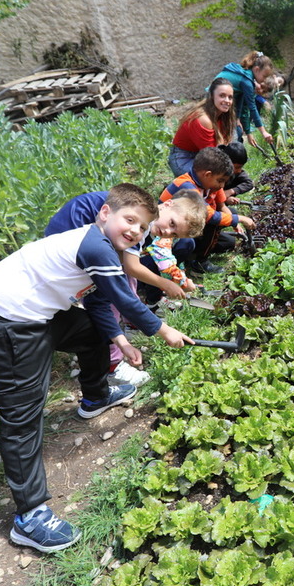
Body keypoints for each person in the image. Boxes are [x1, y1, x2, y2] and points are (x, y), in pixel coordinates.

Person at [0, 184, 197, 553]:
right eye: (129, 220)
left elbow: (101, 302)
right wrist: (163, 329)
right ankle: (30, 516)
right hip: (3, 318)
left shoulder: (103, 246)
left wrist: (120, 340)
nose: (135, 231)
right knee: (22, 410)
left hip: (36, 313)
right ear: (105, 214)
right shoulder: (95, 246)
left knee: (92, 333)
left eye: (142, 227)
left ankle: (95, 396)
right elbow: (124, 297)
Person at [45, 190, 206, 387]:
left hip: (91, 233)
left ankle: (130, 321)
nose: (168, 233)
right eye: (172, 224)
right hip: (72, 228)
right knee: (105, 293)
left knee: (121, 284)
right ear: (167, 205)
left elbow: (133, 265)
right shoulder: (139, 222)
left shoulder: (142, 222)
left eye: (174, 234)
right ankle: (113, 364)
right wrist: (164, 286)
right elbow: (131, 267)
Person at [161, 147, 252, 275]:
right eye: (220, 181)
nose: (222, 186)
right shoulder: (187, 186)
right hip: (166, 231)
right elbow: (209, 215)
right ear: (208, 174)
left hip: (187, 224)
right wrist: (239, 219)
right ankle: (197, 263)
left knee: (228, 242)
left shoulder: (210, 183)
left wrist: (235, 223)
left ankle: (193, 252)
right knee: (212, 224)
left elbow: (222, 206)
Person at [168, 78, 237, 178]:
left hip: (201, 155)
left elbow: (224, 146)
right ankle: (176, 189)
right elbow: (211, 157)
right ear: (212, 96)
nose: (227, 101)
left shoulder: (224, 116)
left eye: (230, 97)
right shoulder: (203, 119)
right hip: (183, 158)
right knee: (213, 176)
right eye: (222, 96)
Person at [215, 51, 275, 147]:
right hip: (215, 103)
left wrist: (247, 132)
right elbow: (252, 108)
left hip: (223, 105)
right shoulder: (246, 81)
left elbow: (242, 106)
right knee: (232, 137)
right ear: (256, 69)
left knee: (238, 132)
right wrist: (264, 132)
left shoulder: (246, 77)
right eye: (264, 76)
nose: (264, 80)